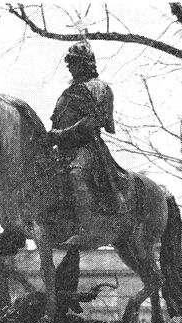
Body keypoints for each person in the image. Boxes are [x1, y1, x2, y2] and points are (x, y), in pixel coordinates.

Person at [47, 41, 126, 249]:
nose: (70, 66)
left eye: (74, 62)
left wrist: (61, 134)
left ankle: (87, 229)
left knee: (76, 173)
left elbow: (92, 122)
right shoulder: (67, 93)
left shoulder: (99, 88)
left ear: (86, 64)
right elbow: (57, 122)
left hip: (88, 147)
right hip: (63, 148)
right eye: (69, 62)